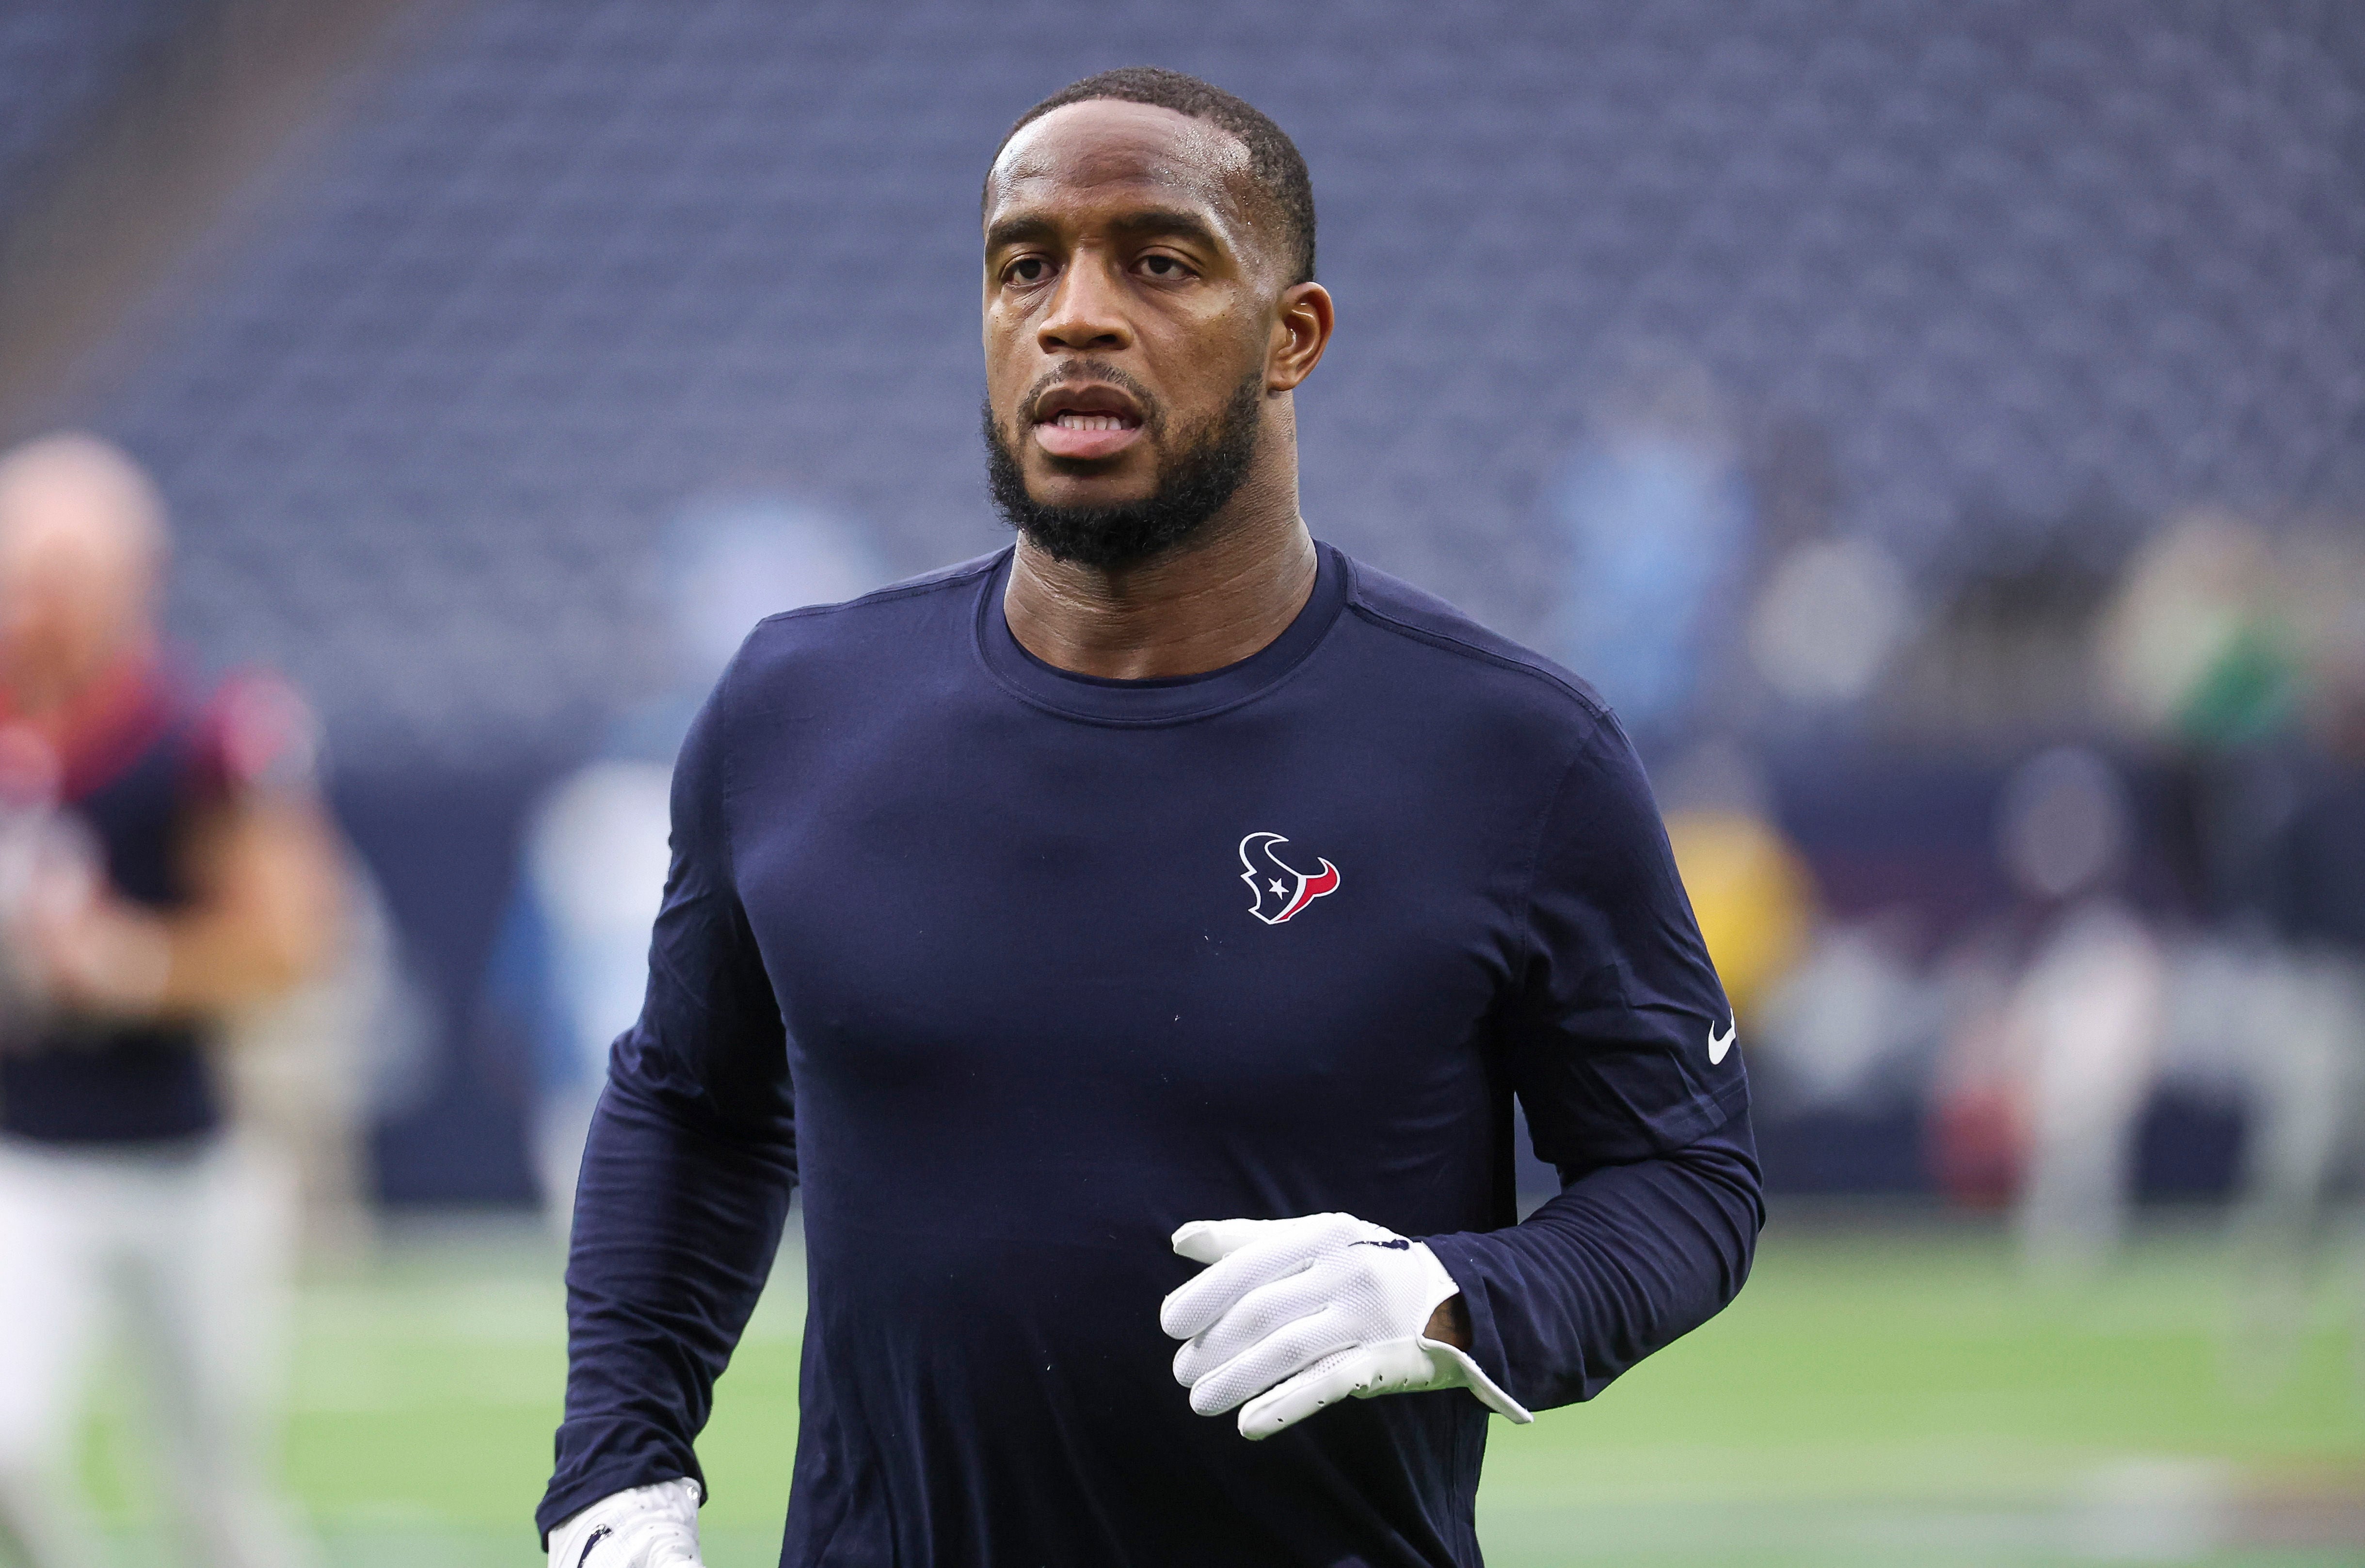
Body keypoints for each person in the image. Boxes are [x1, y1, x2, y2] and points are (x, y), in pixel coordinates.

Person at [540, 69, 1761, 1568]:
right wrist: (619, 1467)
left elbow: (1685, 1179)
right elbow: (690, 1104)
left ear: (1290, 336)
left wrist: (1452, 1296)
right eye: (1024, 263)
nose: (1073, 313)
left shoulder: (1509, 749)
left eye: (1158, 260)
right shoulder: (794, 711)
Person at [0, 434, 345, 1568]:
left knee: (216, 1502)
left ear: (130, 580)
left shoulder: (203, 732)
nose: (33, 607)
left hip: (184, 1160)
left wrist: (128, 963)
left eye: (57, 578)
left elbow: (293, 943)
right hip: (24, 1159)